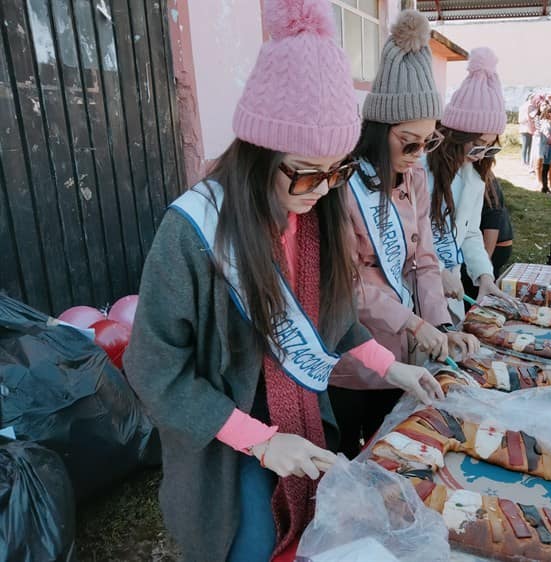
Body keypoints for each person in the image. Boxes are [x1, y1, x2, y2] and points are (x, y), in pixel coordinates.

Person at [121, 2, 443, 560]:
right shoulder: (191, 232)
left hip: (299, 415)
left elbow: (334, 318)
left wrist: (396, 367)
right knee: (251, 543)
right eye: (308, 171)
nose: (324, 187)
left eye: (337, 169)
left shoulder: (315, 212)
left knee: (313, 533)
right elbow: (154, 367)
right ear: (258, 152)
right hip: (225, 435)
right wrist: (262, 441)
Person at [329, 10, 477, 460]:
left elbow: (424, 262)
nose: (418, 156)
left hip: (403, 355)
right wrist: (413, 322)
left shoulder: (414, 179)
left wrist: (442, 325)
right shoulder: (341, 187)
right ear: (377, 132)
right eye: (408, 142)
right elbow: (348, 287)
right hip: (353, 358)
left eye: (428, 143)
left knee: (396, 459)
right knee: (349, 460)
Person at [424, 47, 505, 318]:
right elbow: (404, 239)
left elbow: (470, 232)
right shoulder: (419, 172)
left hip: (452, 288)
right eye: (478, 145)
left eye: (490, 148)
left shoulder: (473, 176)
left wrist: (484, 274)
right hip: (413, 290)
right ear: (456, 135)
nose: (481, 155)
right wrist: (435, 273)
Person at [518, 93, 534, 169]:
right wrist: (528, 120)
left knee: (529, 145)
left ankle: (527, 160)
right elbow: (520, 120)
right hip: (525, 129)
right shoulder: (525, 106)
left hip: (529, 128)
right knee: (525, 145)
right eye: (532, 97)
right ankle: (523, 161)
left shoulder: (531, 106)